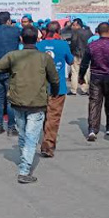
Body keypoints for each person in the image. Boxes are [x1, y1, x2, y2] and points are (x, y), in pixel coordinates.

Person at [0, 26, 59, 184]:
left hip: (18, 101)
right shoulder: (44, 58)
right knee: (30, 137)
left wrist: (12, 72)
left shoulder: (13, 56)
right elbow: (54, 79)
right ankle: (24, 170)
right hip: (37, 102)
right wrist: (54, 92)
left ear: (21, 39)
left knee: (23, 135)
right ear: (37, 39)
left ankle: (24, 162)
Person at [36, 22, 74, 158]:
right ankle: (48, 144)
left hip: (41, 86)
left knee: (44, 115)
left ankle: (46, 139)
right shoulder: (63, 45)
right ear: (58, 31)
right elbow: (71, 61)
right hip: (58, 87)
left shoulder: (38, 46)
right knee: (54, 117)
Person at [79, 23, 109, 141]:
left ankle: (92, 129)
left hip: (96, 77)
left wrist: (81, 76)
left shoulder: (92, 45)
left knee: (94, 102)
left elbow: (84, 63)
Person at [69, 18, 93, 95]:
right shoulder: (88, 32)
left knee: (75, 72)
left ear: (77, 25)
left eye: (74, 25)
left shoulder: (75, 32)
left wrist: (71, 51)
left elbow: (73, 43)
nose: (72, 26)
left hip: (76, 54)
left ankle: (73, 89)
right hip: (86, 54)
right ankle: (85, 89)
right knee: (86, 71)